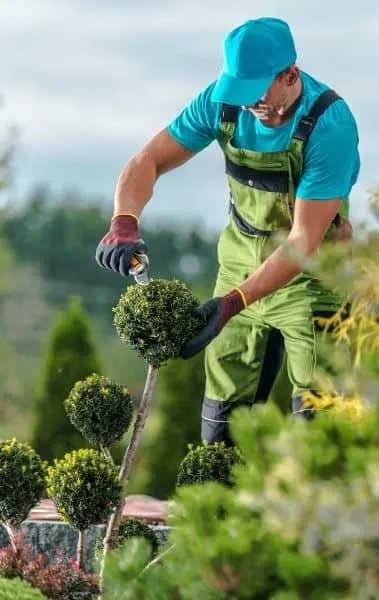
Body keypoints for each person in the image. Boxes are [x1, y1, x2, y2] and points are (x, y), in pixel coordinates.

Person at [94, 17, 360, 445]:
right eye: (239, 90)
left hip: (313, 276)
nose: (248, 103)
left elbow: (302, 242)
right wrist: (124, 220)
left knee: (321, 425)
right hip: (238, 261)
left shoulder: (330, 125)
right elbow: (148, 160)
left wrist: (233, 302)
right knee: (221, 427)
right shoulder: (221, 103)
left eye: (256, 90)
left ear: (290, 75)